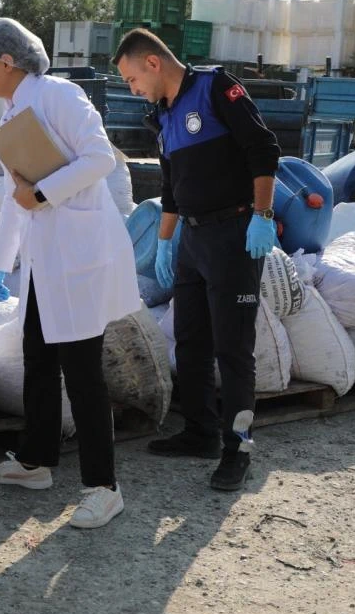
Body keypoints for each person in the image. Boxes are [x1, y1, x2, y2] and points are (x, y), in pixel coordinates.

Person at [0, 18, 140, 529]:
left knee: (83, 372)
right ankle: (36, 461)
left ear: (8, 61)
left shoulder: (60, 96)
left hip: (79, 257)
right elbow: (14, 195)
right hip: (47, 262)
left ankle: (103, 486)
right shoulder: (12, 110)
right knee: (39, 360)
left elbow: (99, 160)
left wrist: (43, 194)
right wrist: (0, 263)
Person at [112, 29, 280, 491]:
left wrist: (263, 215)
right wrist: (166, 243)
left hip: (235, 236)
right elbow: (171, 190)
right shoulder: (164, 118)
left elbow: (263, 148)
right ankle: (201, 432)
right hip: (192, 239)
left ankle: (237, 448)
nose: (132, 88)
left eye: (130, 79)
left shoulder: (214, 88)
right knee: (190, 344)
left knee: (233, 351)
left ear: (152, 63)